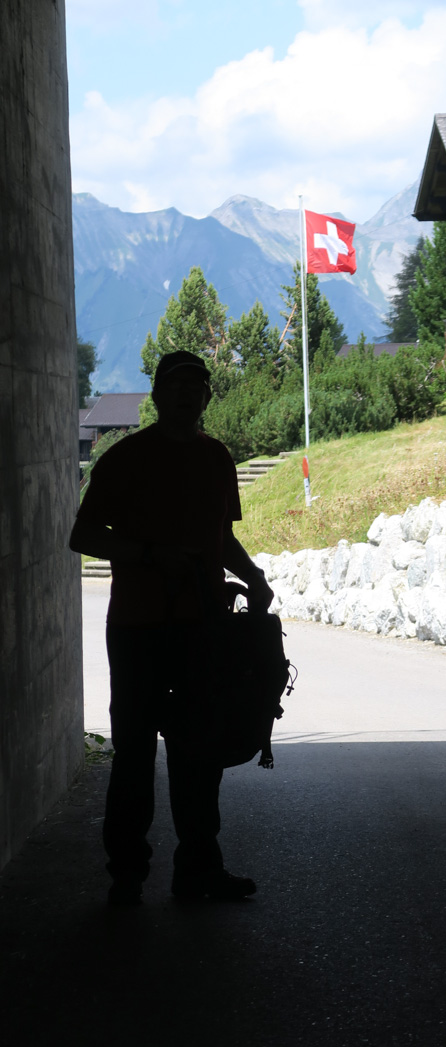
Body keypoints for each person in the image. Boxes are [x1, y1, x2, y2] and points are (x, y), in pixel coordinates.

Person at [70, 350, 274, 906]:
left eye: (196, 386)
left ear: (207, 396)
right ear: (157, 395)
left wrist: (253, 576)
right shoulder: (125, 458)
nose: (186, 394)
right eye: (176, 386)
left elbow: (219, 538)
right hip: (137, 629)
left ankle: (199, 871)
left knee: (199, 752)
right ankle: (126, 876)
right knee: (134, 754)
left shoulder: (217, 459)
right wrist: (148, 554)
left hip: (202, 631)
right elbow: (83, 536)